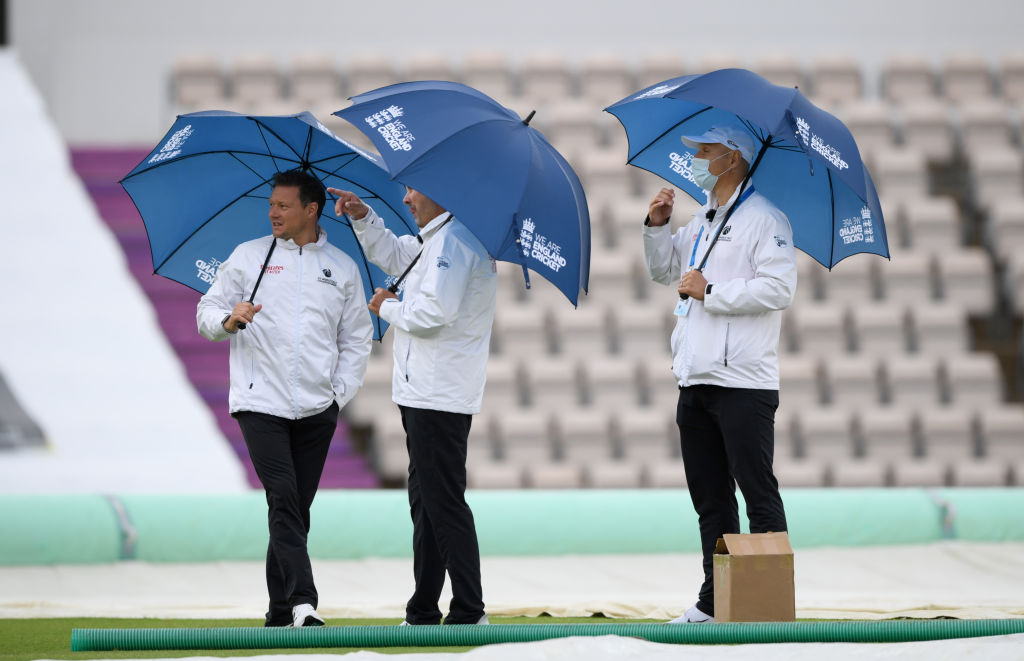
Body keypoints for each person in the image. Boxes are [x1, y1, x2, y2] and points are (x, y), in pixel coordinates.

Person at [197, 169, 373, 628]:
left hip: (318, 407)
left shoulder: (342, 268)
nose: (273, 213)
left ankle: (278, 615)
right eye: (271, 205)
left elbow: (357, 339)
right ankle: (303, 603)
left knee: (295, 508)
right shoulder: (248, 256)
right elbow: (206, 311)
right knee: (283, 498)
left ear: (311, 210)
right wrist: (228, 320)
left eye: (283, 205)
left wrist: (337, 395)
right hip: (260, 403)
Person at [642, 125, 797, 624]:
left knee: (757, 493)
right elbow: (665, 272)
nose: (698, 158)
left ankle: (768, 609)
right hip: (695, 378)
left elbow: (779, 289)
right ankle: (715, 604)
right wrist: (656, 226)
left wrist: (712, 292)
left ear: (733, 158)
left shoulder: (766, 218)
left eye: (706, 151)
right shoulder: (701, 219)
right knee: (710, 500)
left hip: (744, 383)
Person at [327, 184, 496, 626]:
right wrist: (363, 217)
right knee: (427, 502)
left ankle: (469, 609)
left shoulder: (455, 242)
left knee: (442, 502)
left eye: (413, 190)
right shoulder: (439, 239)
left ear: (440, 190)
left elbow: (432, 313)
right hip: (424, 391)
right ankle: (423, 608)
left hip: (438, 393)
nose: (406, 199)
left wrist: (388, 307)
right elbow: (398, 255)